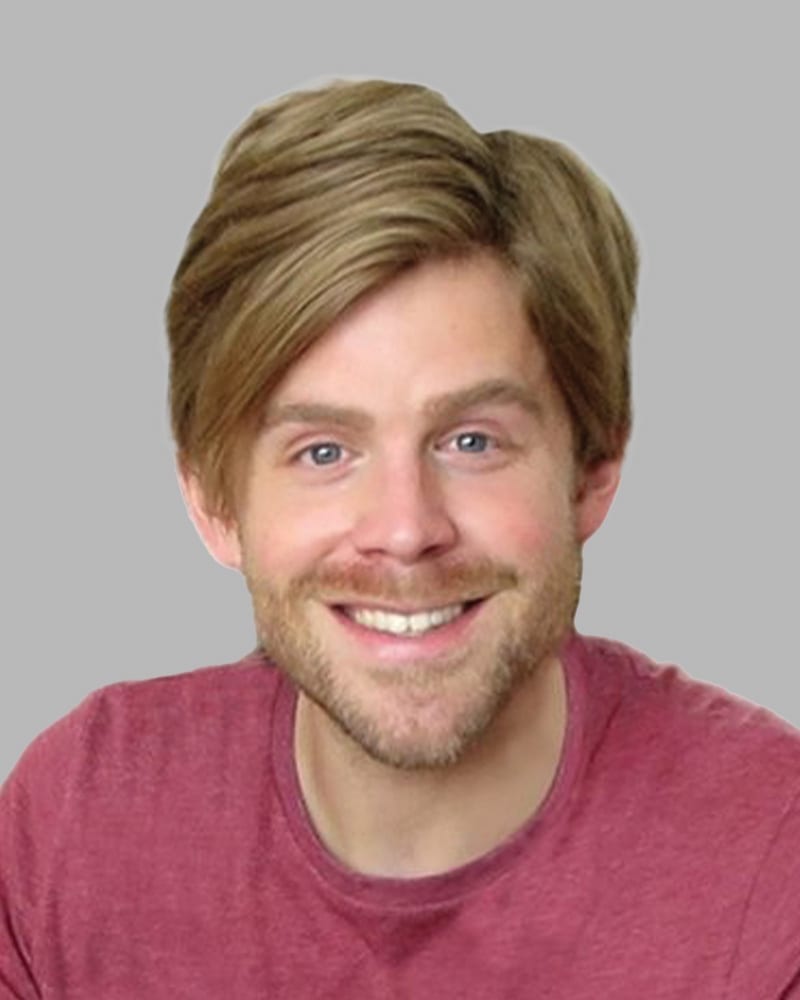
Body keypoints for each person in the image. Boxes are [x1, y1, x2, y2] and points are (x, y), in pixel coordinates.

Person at [1, 78, 798, 999]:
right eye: (324, 450)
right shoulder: (77, 828)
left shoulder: (770, 860)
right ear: (215, 502)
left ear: (594, 468)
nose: (406, 529)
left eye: (471, 441)